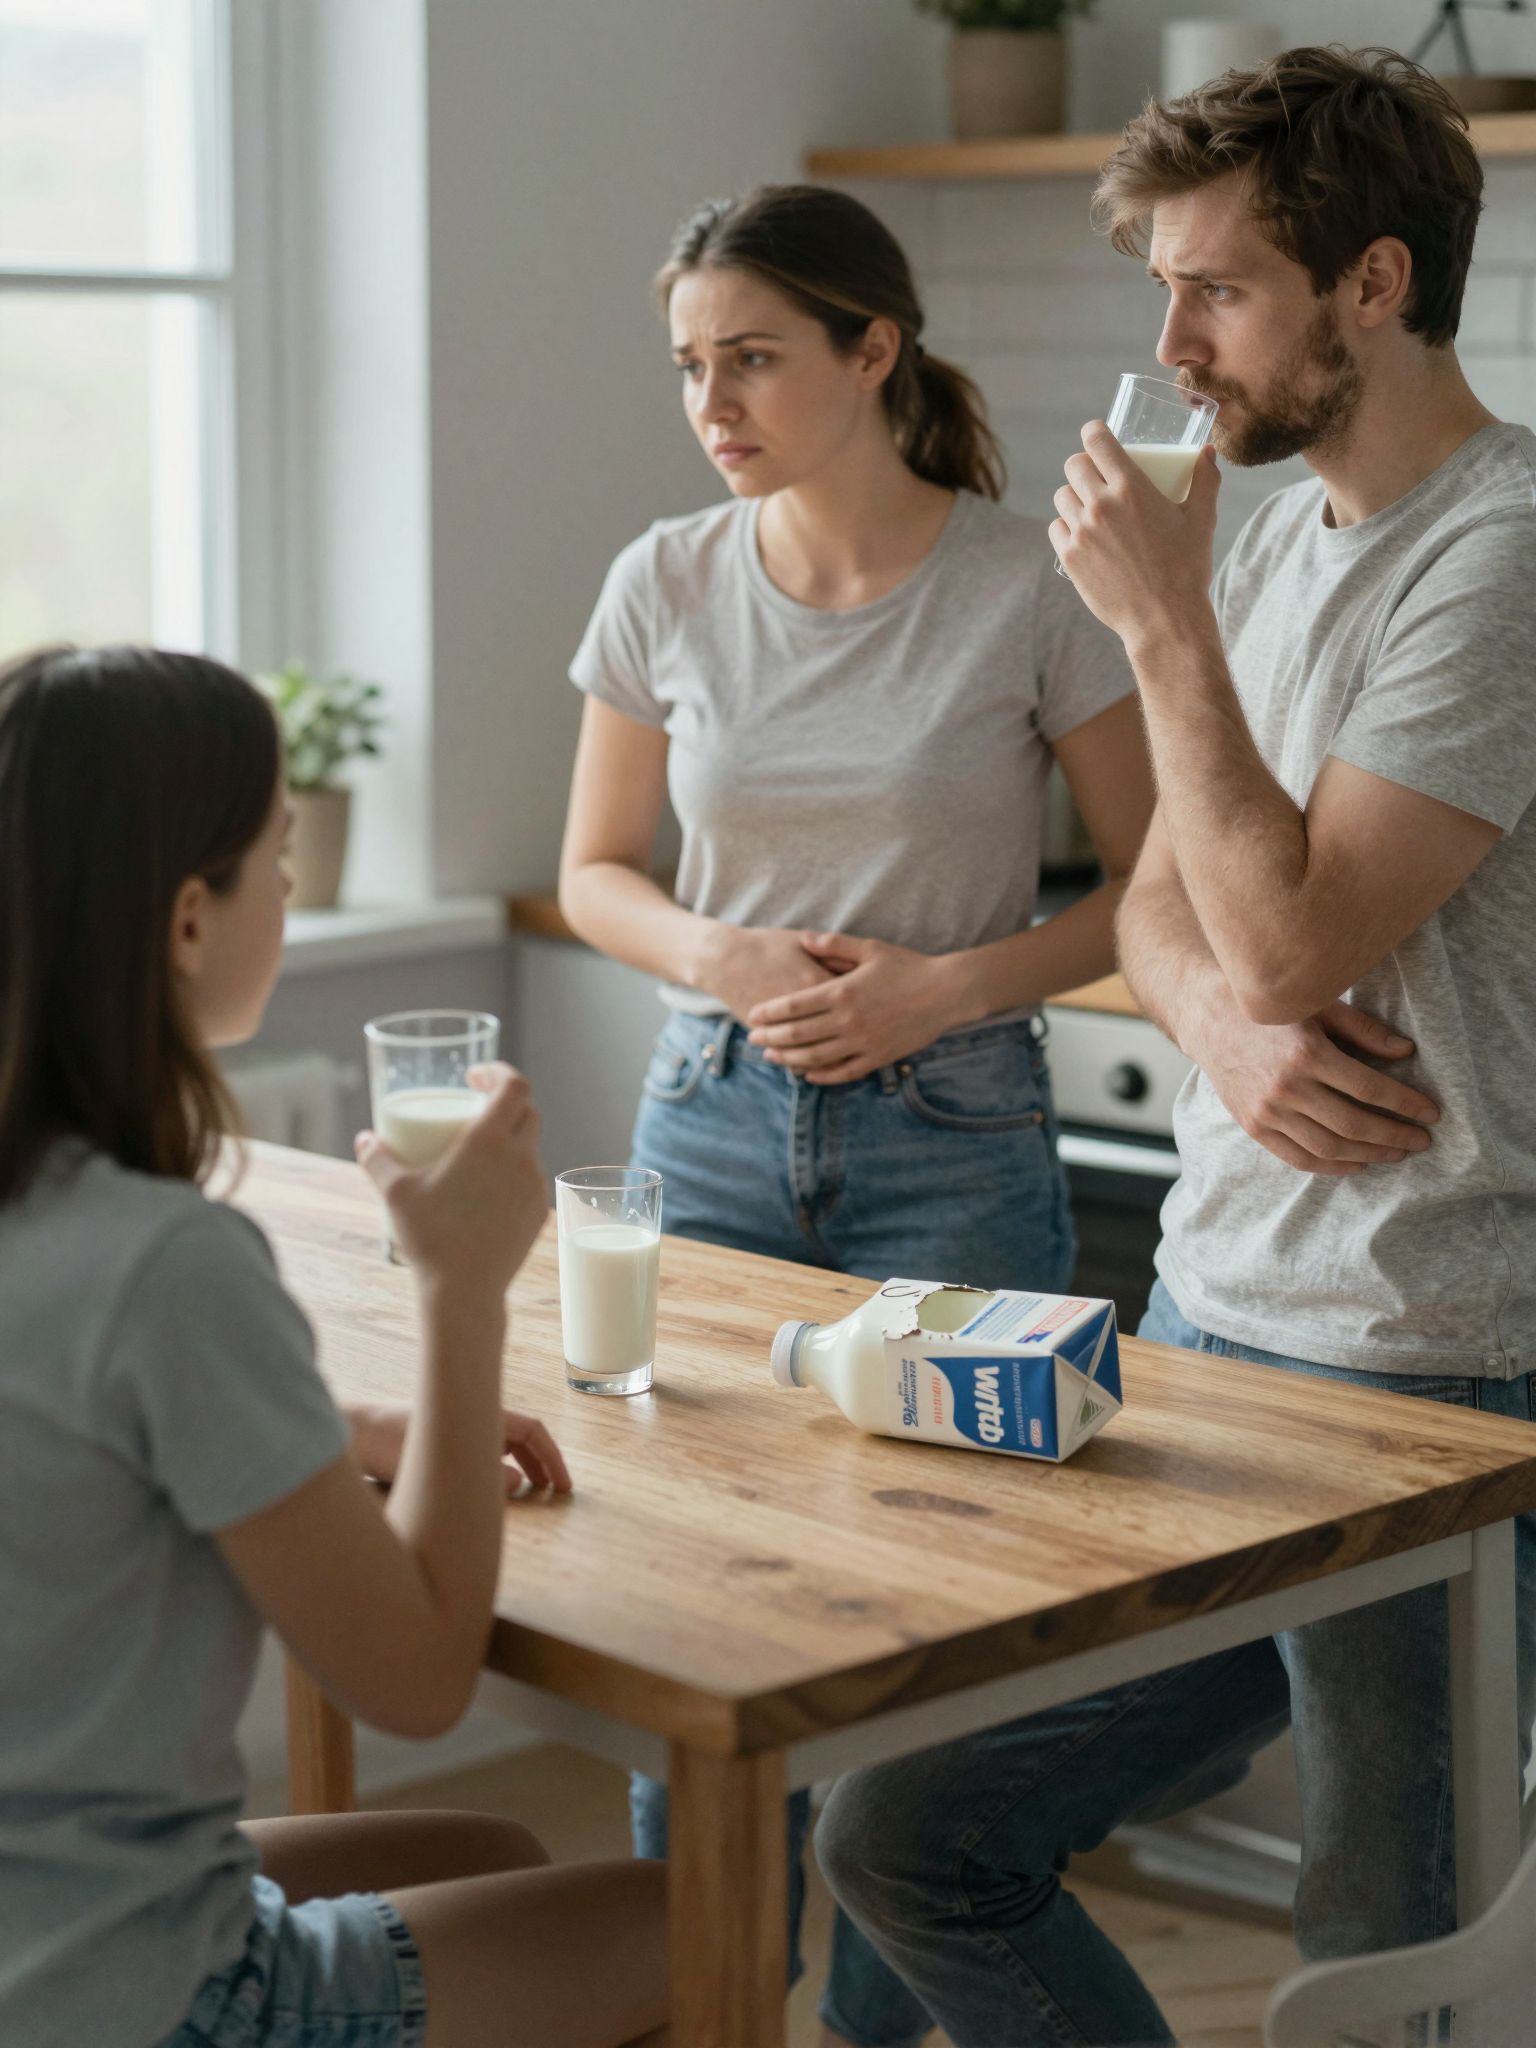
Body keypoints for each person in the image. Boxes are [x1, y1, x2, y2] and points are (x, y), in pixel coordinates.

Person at [815, 46, 1536, 2047]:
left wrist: (1157, 635)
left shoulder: (1502, 552)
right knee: (907, 1828)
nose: (1174, 340)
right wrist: (1217, 1030)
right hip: (1217, 1332)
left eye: (1215, 287)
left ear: (1371, 287)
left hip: (1438, 1374)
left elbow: (1297, 919)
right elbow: (1164, 894)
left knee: (1387, 1958)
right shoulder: (1272, 534)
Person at [558, 182, 1153, 2048]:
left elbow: (1158, 891)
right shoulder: (664, 575)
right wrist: (721, 956)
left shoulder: (1026, 584)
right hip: (711, 1123)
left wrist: (945, 987)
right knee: (699, 1624)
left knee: (939, 1644)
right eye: (688, 367)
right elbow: (591, 873)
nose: (710, 401)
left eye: (750, 357)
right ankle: (712, 2004)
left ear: (871, 348)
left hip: (957, 1140)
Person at [0, 645, 668, 2048]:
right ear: (189, 919)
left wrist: (331, 1438)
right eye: (281, 859)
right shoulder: (168, 1264)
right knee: (682, 1921)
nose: (293, 895)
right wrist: (463, 1292)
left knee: (490, 1855)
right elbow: (418, 1682)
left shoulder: (64, 1217)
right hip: (132, 2000)